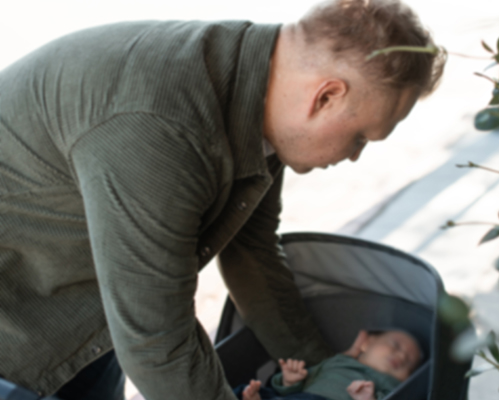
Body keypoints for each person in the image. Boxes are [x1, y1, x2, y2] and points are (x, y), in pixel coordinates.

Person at [0, 0, 444, 399]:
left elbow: (251, 251)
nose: (354, 156)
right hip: (16, 318)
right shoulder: (162, 127)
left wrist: (326, 373)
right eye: (361, 136)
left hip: (92, 314)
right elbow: (157, 340)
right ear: (325, 97)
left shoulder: (261, 99)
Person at [239, 330, 422, 400]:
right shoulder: (338, 361)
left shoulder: (395, 389)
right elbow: (309, 379)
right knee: (247, 390)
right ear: (368, 342)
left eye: (410, 363)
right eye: (395, 345)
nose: (402, 355)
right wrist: (289, 381)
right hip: (302, 397)